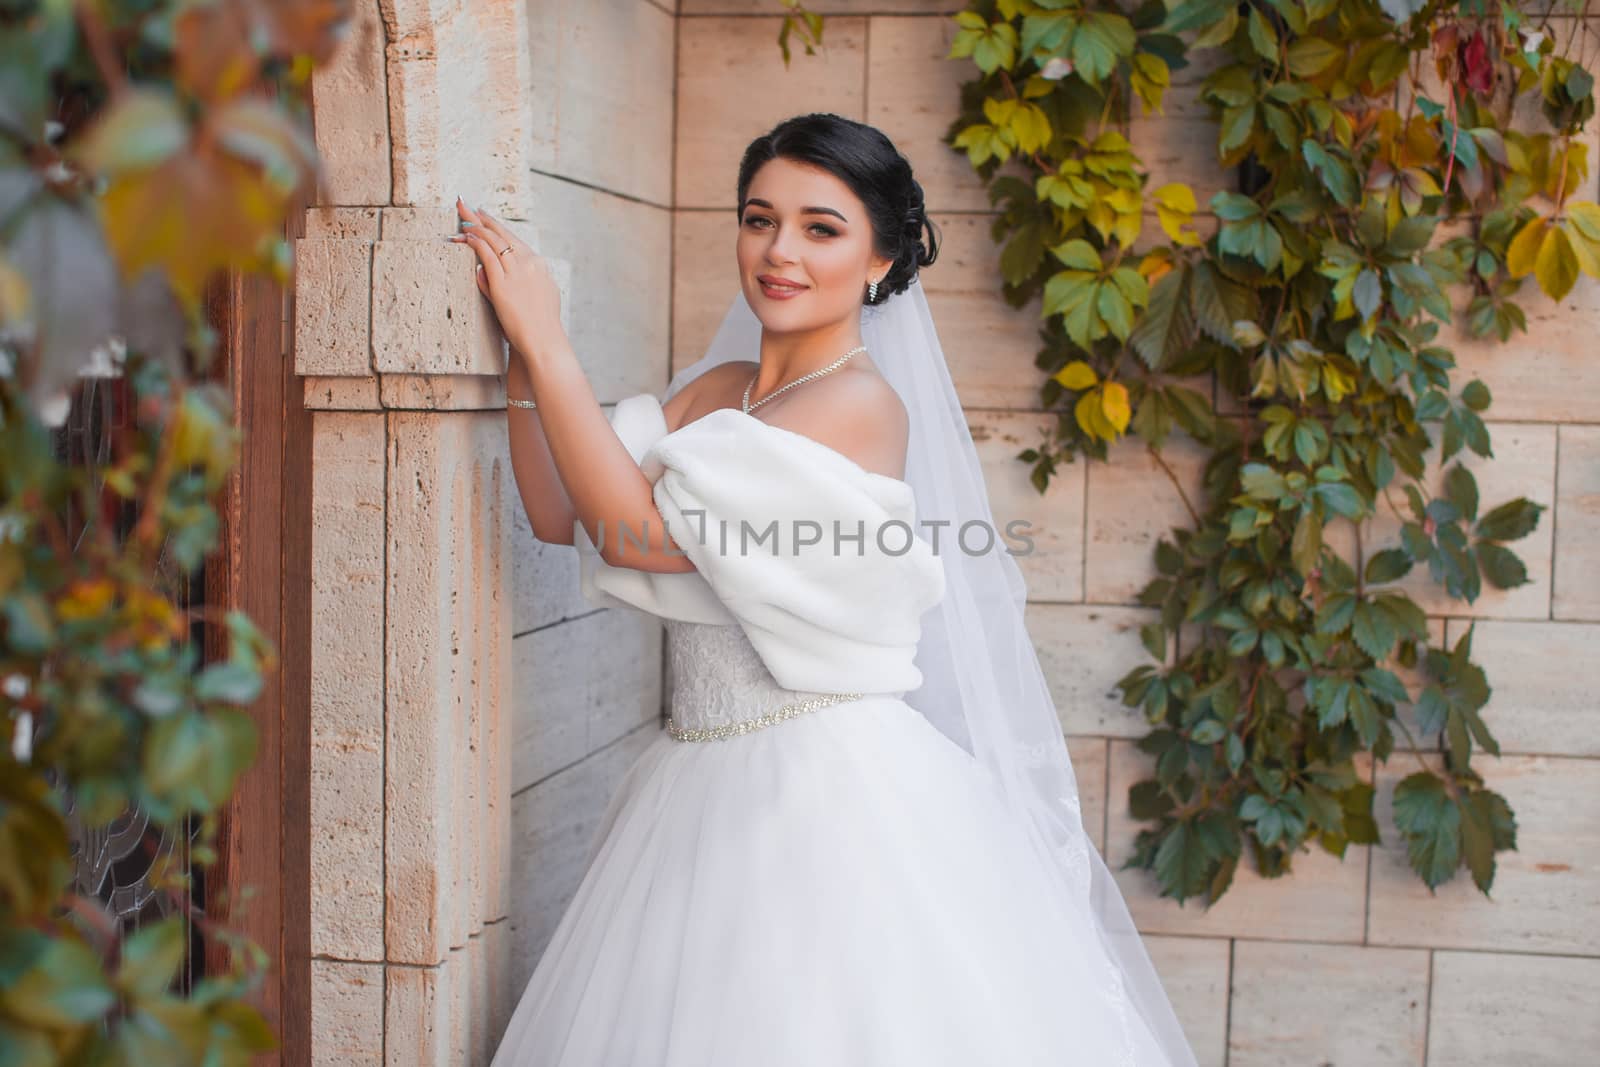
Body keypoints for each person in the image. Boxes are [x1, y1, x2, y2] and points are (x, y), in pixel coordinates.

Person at [453, 112, 1198, 1067]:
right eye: (759, 219)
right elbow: (561, 510)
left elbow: (637, 538)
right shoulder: (714, 389)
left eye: (821, 227)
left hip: (819, 791)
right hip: (696, 775)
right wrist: (519, 348)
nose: (779, 251)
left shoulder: (855, 406)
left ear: (881, 262)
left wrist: (550, 335)